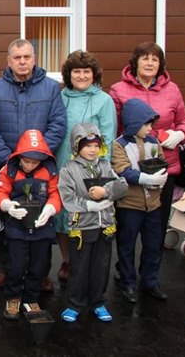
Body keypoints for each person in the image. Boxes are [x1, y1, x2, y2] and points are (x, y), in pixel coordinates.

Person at [0, 38, 66, 291]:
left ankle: (39, 274)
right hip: (5, 167)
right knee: (4, 222)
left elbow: (58, 124)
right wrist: (11, 161)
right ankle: (5, 269)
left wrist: (38, 158)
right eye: (17, 57)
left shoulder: (51, 88)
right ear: (9, 60)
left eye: (26, 57)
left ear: (34, 58)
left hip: (41, 169)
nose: (22, 61)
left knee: (41, 222)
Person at [109, 42, 185, 244]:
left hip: (163, 167)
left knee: (157, 228)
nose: (150, 63)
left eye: (155, 59)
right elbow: (115, 128)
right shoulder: (118, 89)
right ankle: (125, 263)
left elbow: (184, 121)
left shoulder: (172, 89)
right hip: (131, 167)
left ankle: (153, 264)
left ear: (160, 64)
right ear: (135, 62)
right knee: (127, 227)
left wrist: (180, 135)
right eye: (145, 58)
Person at [55, 51, 117, 282]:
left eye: (86, 71)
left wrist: (101, 170)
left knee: (86, 214)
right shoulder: (60, 97)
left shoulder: (104, 100)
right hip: (62, 164)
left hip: (91, 169)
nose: (81, 76)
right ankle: (67, 261)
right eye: (76, 71)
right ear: (68, 74)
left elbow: (108, 137)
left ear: (94, 74)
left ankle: (85, 262)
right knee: (63, 215)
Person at [58, 123, 128, 323]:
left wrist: (106, 191)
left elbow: (122, 185)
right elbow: (67, 197)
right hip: (81, 227)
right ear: (77, 146)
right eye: (87, 145)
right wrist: (89, 205)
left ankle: (98, 302)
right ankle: (74, 304)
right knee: (79, 268)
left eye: (96, 145)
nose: (92, 150)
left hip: (105, 226)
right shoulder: (69, 169)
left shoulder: (105, 165)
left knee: (101, 267)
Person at [0, 129, 61, 320]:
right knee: (15, 266)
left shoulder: (50, 171)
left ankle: (31, 299)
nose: (30, 165)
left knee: (38, 267)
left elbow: (56, 194)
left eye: (35, 162)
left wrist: (51, 208)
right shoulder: (10, 170)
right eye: (26, 160)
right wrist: (7, 205)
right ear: (19, 156)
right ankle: (13, 298)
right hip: (17, 228)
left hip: (42, 228)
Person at [111, 98, 169, 303]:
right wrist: (147, 179)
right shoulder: (119, 144)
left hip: (153, 204)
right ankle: (127, 282)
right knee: (126, 245)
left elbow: (162, 162)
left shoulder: (154, 142)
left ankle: (150, 281)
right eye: (146, 124)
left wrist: (161, 178)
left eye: (151, 124)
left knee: (153, 244)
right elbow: (122, 170)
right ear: (134, 122)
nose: (150, 128)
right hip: (129, 204)